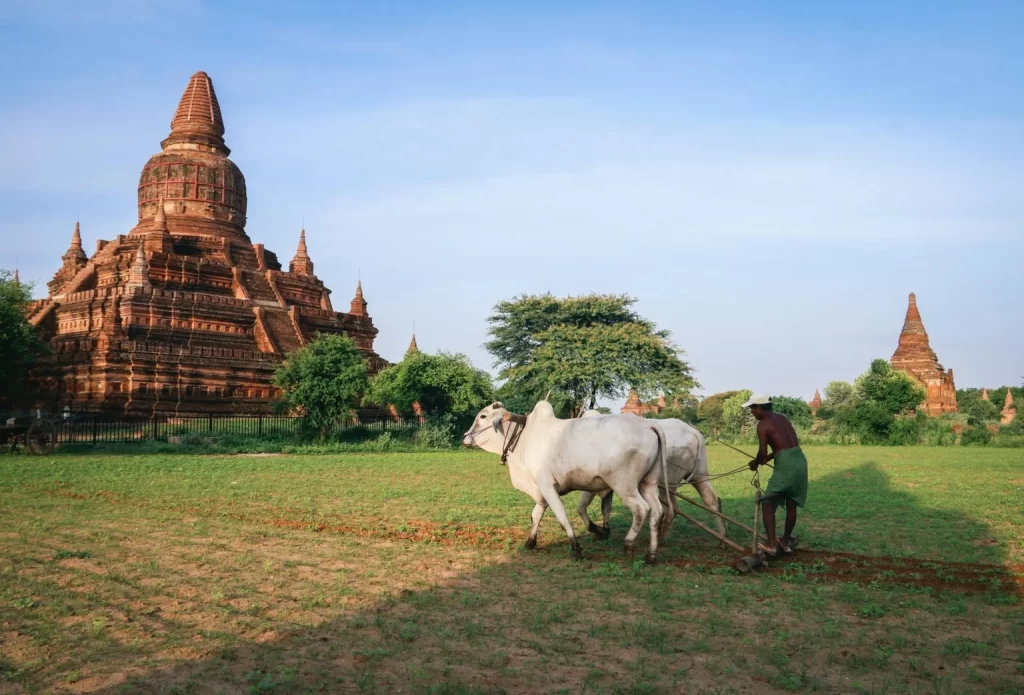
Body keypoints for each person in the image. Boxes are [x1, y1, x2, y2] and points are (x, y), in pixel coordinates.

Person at [742, 393, 808, 556]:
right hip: (799, 460)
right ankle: (784, 541)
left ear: (759, 408)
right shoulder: (782, 418)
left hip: (785, 464)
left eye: (752, 409)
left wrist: (756, 463)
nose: (752, 412)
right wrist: (770, 457)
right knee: (791, 503)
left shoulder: (763, 425)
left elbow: (762, 451)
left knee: (768, 503)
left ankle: (772, 544)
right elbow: (785, 445)